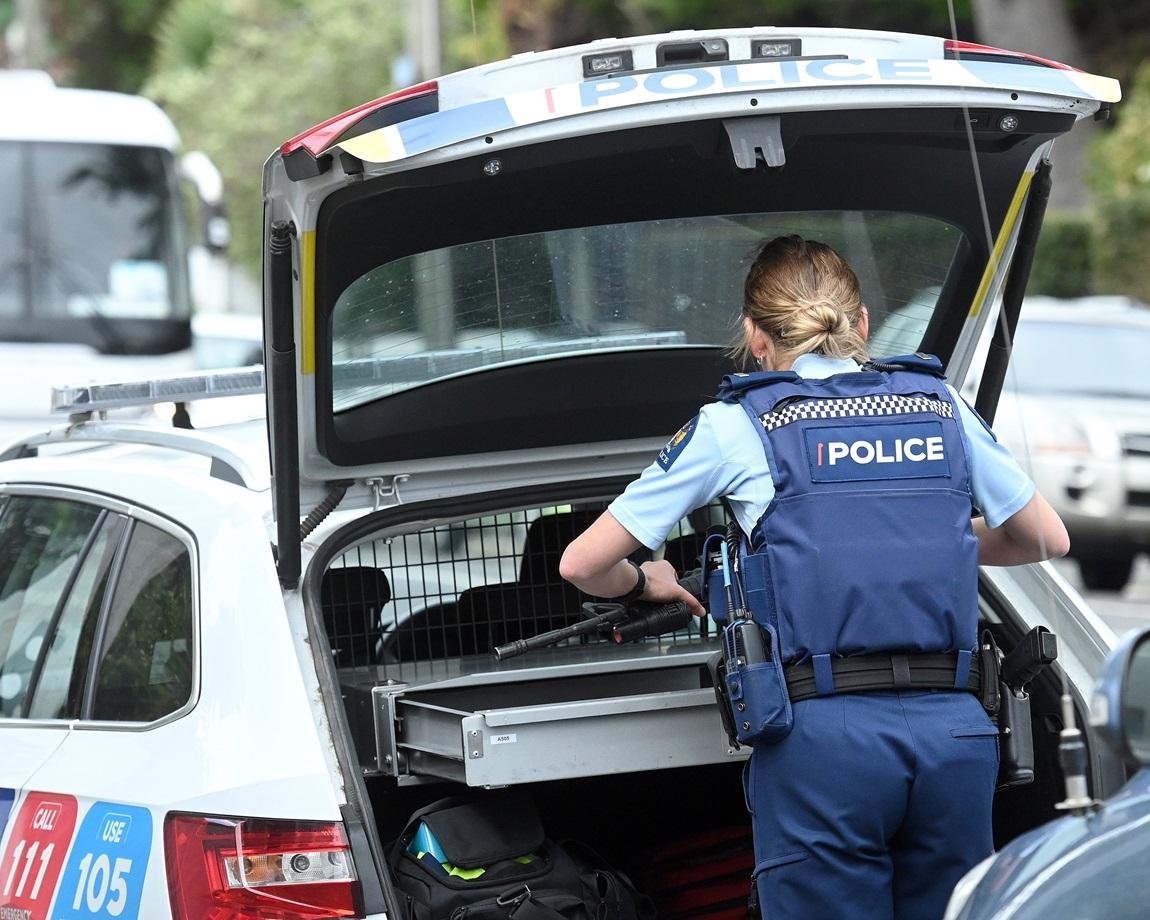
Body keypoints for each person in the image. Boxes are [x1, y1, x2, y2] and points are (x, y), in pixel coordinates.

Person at [558, 235, 1069, 920]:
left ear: (754, 337)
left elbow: (582, 564)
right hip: (957, 737)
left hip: (823, 744)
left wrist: (646, 583)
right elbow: (1045, 536)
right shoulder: (937, 404)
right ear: (861, 326)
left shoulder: (735, 425)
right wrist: (922, 539)